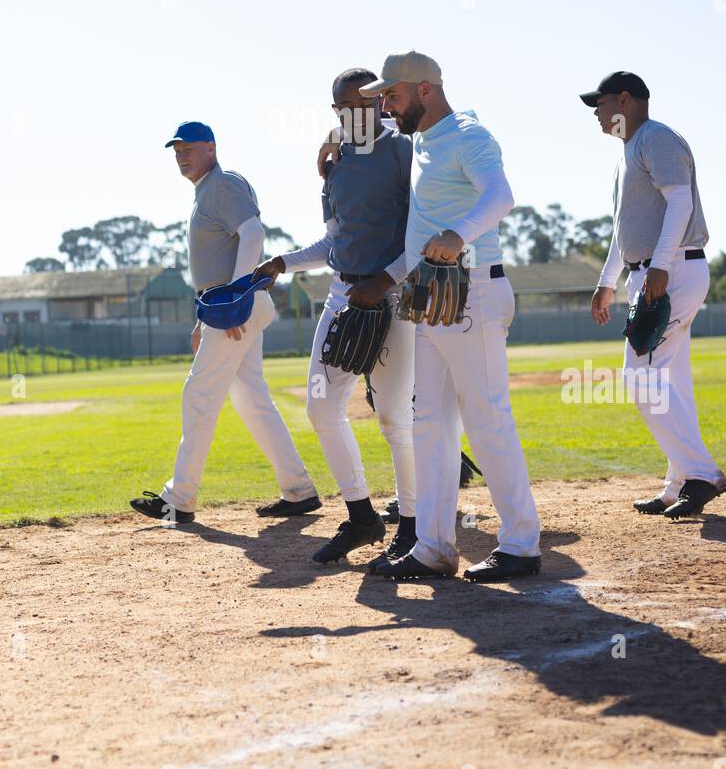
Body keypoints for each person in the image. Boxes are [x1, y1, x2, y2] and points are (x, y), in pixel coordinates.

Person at [352, 52, 541, 583]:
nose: (385, 106)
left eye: (392, 95)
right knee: (429, 424)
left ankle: (522, 543)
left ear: (426, 91)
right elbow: (369, 144)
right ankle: (434, 546)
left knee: (486, 419)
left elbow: (501, 195)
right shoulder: (424, 141)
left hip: (472, 292)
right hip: (431, 299)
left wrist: (459, 233)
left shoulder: (466, 134)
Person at [255, 69, 417, 565]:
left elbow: (422, 235)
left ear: (383, 103)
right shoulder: (337, 164)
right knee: (322, 409)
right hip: (344, 294)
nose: (360, 112)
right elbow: (333, 242)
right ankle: (362, 518)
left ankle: (411, 526)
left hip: (393, 297)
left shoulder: (405, 153)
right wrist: (284, 262)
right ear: (337, 111)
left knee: (393, 416)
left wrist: (383, 280)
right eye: (348, 105)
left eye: (369, 102)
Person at [130, 120, 319, 524]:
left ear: (211, 148)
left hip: (240, 305)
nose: (181, 154)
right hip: (231, 306)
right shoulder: (205, 192)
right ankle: (299, 490)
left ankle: (178, 499)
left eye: (189, 147)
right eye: (176, 149)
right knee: (251, 399)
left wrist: (235, 300)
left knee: (199, 395)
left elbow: (254, 234)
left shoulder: (224, 183)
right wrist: (209, 315)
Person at [582, 71, 726, 518]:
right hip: (654, 270)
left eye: (601, 104)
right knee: (671, 382)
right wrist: (607, 281)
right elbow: (622, 232)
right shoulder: (628, 153)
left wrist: (660, 266)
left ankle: (701, 474)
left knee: (642, 376)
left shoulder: (656, 138)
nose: (597, 114)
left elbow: (680, 202)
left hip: (673, 269)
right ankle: (679, 482)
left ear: (624, 100)